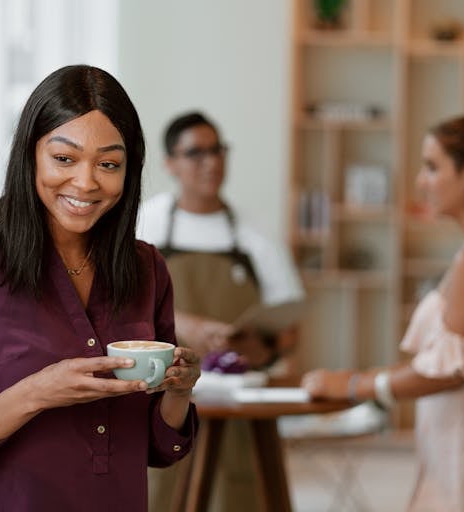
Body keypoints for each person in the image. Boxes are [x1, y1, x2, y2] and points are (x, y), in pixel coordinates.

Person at [0, 65, 201, 512]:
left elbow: (158, 449)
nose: (85, 182)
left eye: (108, 164)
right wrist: (36, 393)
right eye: (64, 158)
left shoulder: (147, 268)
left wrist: (179, 391)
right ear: (30, 156)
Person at [302, 103, 464, 512]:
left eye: (432, 167)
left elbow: (448, 372)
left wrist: (355, 386)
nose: (420, 181)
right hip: (459, 451)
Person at [137, 111, 304, 511]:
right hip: (163, 404)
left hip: (238, 408)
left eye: (217, 150)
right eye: (196, 153)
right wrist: (184, 324)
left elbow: (289, 328)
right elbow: (115, 309)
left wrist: (255, 343)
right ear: (170, 163)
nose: (210, 162)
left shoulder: (255, 234)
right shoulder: (145, 225)